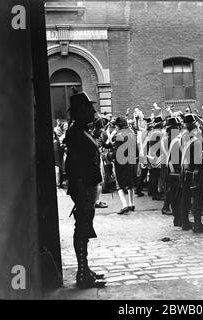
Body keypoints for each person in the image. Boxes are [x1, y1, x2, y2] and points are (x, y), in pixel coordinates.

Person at [64, 92, 106, 289]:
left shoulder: (82, 131)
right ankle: (82, 274)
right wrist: (81, 191)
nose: (92, 112)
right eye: (88, 109)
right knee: (82, 228)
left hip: (88, 186)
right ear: (79, 112)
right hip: (82, 187)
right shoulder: (75, 134)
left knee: (85, 227)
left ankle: (85, 268)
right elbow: (73, 165)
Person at [180, 114, 203, 233]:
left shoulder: (183, 136)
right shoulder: (197, 140)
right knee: (197, 198)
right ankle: (197, 225)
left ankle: (185, 222)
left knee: (186, 198)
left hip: (185, 170)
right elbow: (198, 159)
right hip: (195, 172)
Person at [111, 117, 137, 214]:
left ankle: (124, 205)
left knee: (119, 185)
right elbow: (137, 150)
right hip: (132, 162)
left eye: (116, 125)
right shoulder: (131, 133)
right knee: (130, 184)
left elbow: (117, 151)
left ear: (119, 125)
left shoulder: (119, 135)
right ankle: (131, 204)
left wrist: (110, 155)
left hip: (121, 163)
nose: (115, 127)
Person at [162, 116, 182, 223]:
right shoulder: (173, 139)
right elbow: (174, 158)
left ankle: (175, 215)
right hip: (172, 167)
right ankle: (176, 216)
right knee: (175, 193)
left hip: (168, 166)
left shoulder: (169, 138)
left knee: (172, 191)